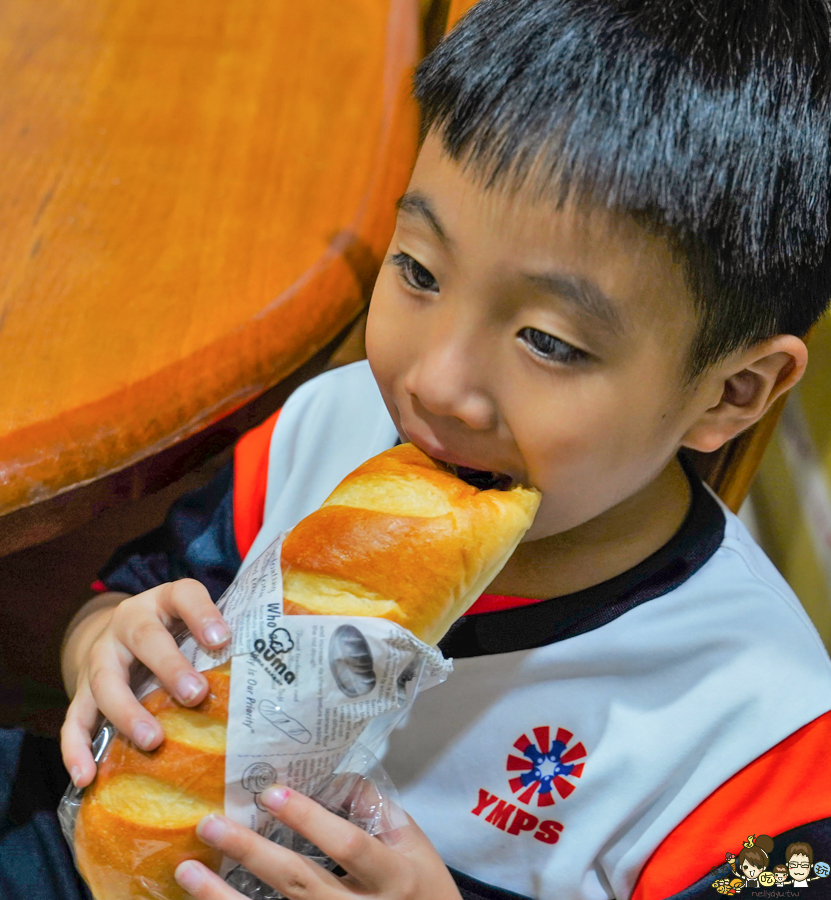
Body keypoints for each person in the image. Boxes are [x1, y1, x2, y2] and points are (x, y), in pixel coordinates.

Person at [56, 1, 831, 899]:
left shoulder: (765, 738)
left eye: (547, 340)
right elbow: (129, 591)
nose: (434, 382)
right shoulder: (326, 430)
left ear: (731, 391)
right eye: (419, 270)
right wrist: (101, 647)